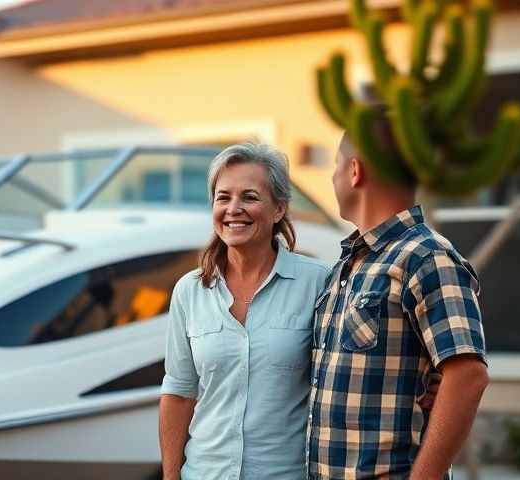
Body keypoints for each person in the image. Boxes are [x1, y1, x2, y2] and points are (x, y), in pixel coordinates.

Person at [307, 114, 489, 479]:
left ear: (355, 170)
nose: (333, 177)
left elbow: (467, 376)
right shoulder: (346, 266)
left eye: (336, 166)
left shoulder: (427, 256)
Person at [158, 143, 330, 479]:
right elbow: (179, 392)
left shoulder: (319, 283)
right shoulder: (189, 291)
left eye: (249, 197)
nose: (233, 208)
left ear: (279, 209)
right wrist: (170, 475)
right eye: (223, 198)